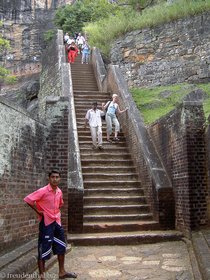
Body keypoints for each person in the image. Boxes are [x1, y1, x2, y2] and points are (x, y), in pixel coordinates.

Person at [24, 170, 77, 280]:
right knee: (43, 249)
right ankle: (42, 277)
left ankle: (62, 272)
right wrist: (39, 211)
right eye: (53, 177)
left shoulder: (59, 191)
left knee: (61, 246)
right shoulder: (43, 191)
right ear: (49, 178)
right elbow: (29, 199)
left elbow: (60, 204)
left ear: (60, 179)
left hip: (57, 222)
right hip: (46, 224)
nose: (55, 179)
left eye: (57, 177)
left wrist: (55, 213)